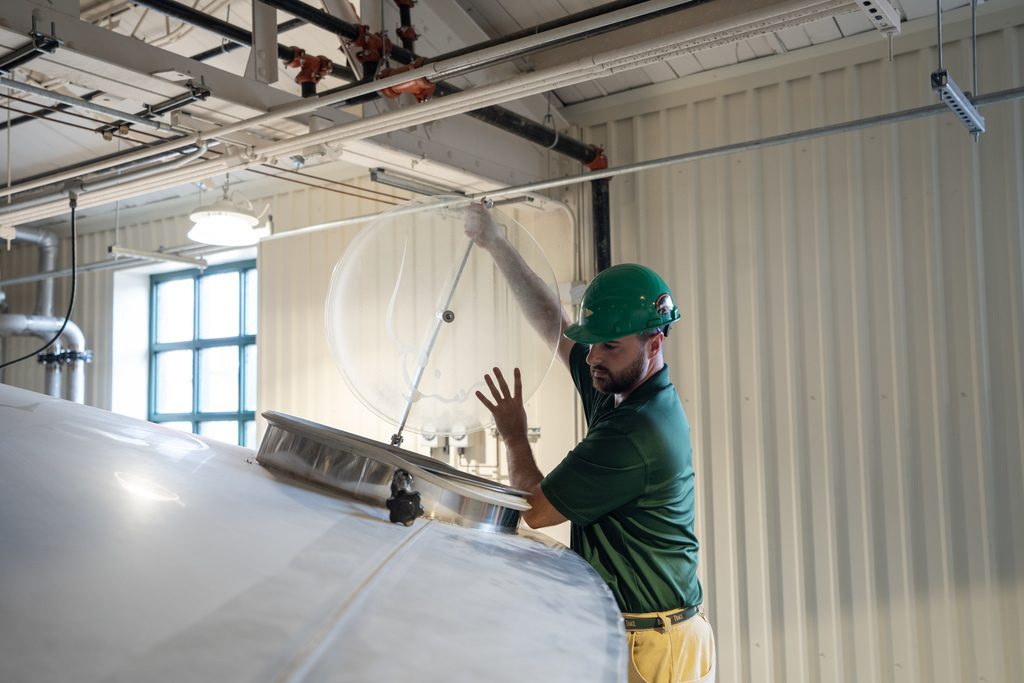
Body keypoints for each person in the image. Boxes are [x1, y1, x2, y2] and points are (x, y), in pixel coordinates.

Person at [465, 204, 715, 683]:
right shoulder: (621, 384)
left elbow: (536, 511)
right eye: (593, 342)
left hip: (656, 650)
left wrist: (515, 435)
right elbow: (555, 325)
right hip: (654, 633)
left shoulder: (635, 432)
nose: (593, 358)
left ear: (655, 344)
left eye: (610, 346)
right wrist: (496, 244)